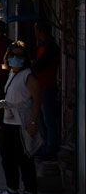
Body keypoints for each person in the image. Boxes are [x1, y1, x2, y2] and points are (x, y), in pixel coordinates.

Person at [0, 40, 42, 194]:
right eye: (12, 55)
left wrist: (33, 122)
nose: (15, 58)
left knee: (25, 159)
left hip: (22, 122)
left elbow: (37, 100)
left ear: (25, 58)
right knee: (7, 157)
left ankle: (30, 193)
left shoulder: (28, 75)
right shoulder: (12, 73)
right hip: (9, 121)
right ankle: (12, 188)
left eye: (19, 56)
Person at [31, 21, 60, 160]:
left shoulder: (50, 46)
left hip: (47, 86)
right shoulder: (42, 45)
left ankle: (51, 148)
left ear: (40, 30)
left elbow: (40, 66)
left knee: (48, 120)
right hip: (41, 86)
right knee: (41, 118)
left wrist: (33, 66)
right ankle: (45, 145)